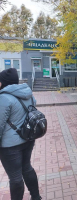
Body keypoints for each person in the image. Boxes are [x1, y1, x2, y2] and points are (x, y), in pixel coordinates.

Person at [0, 68, 41, 200]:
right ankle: (36, 197)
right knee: (27, 168)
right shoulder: (28, 94)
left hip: (10, 146)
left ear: (3, 82)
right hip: (28, 138)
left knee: (15, 177)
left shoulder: (4, 98)